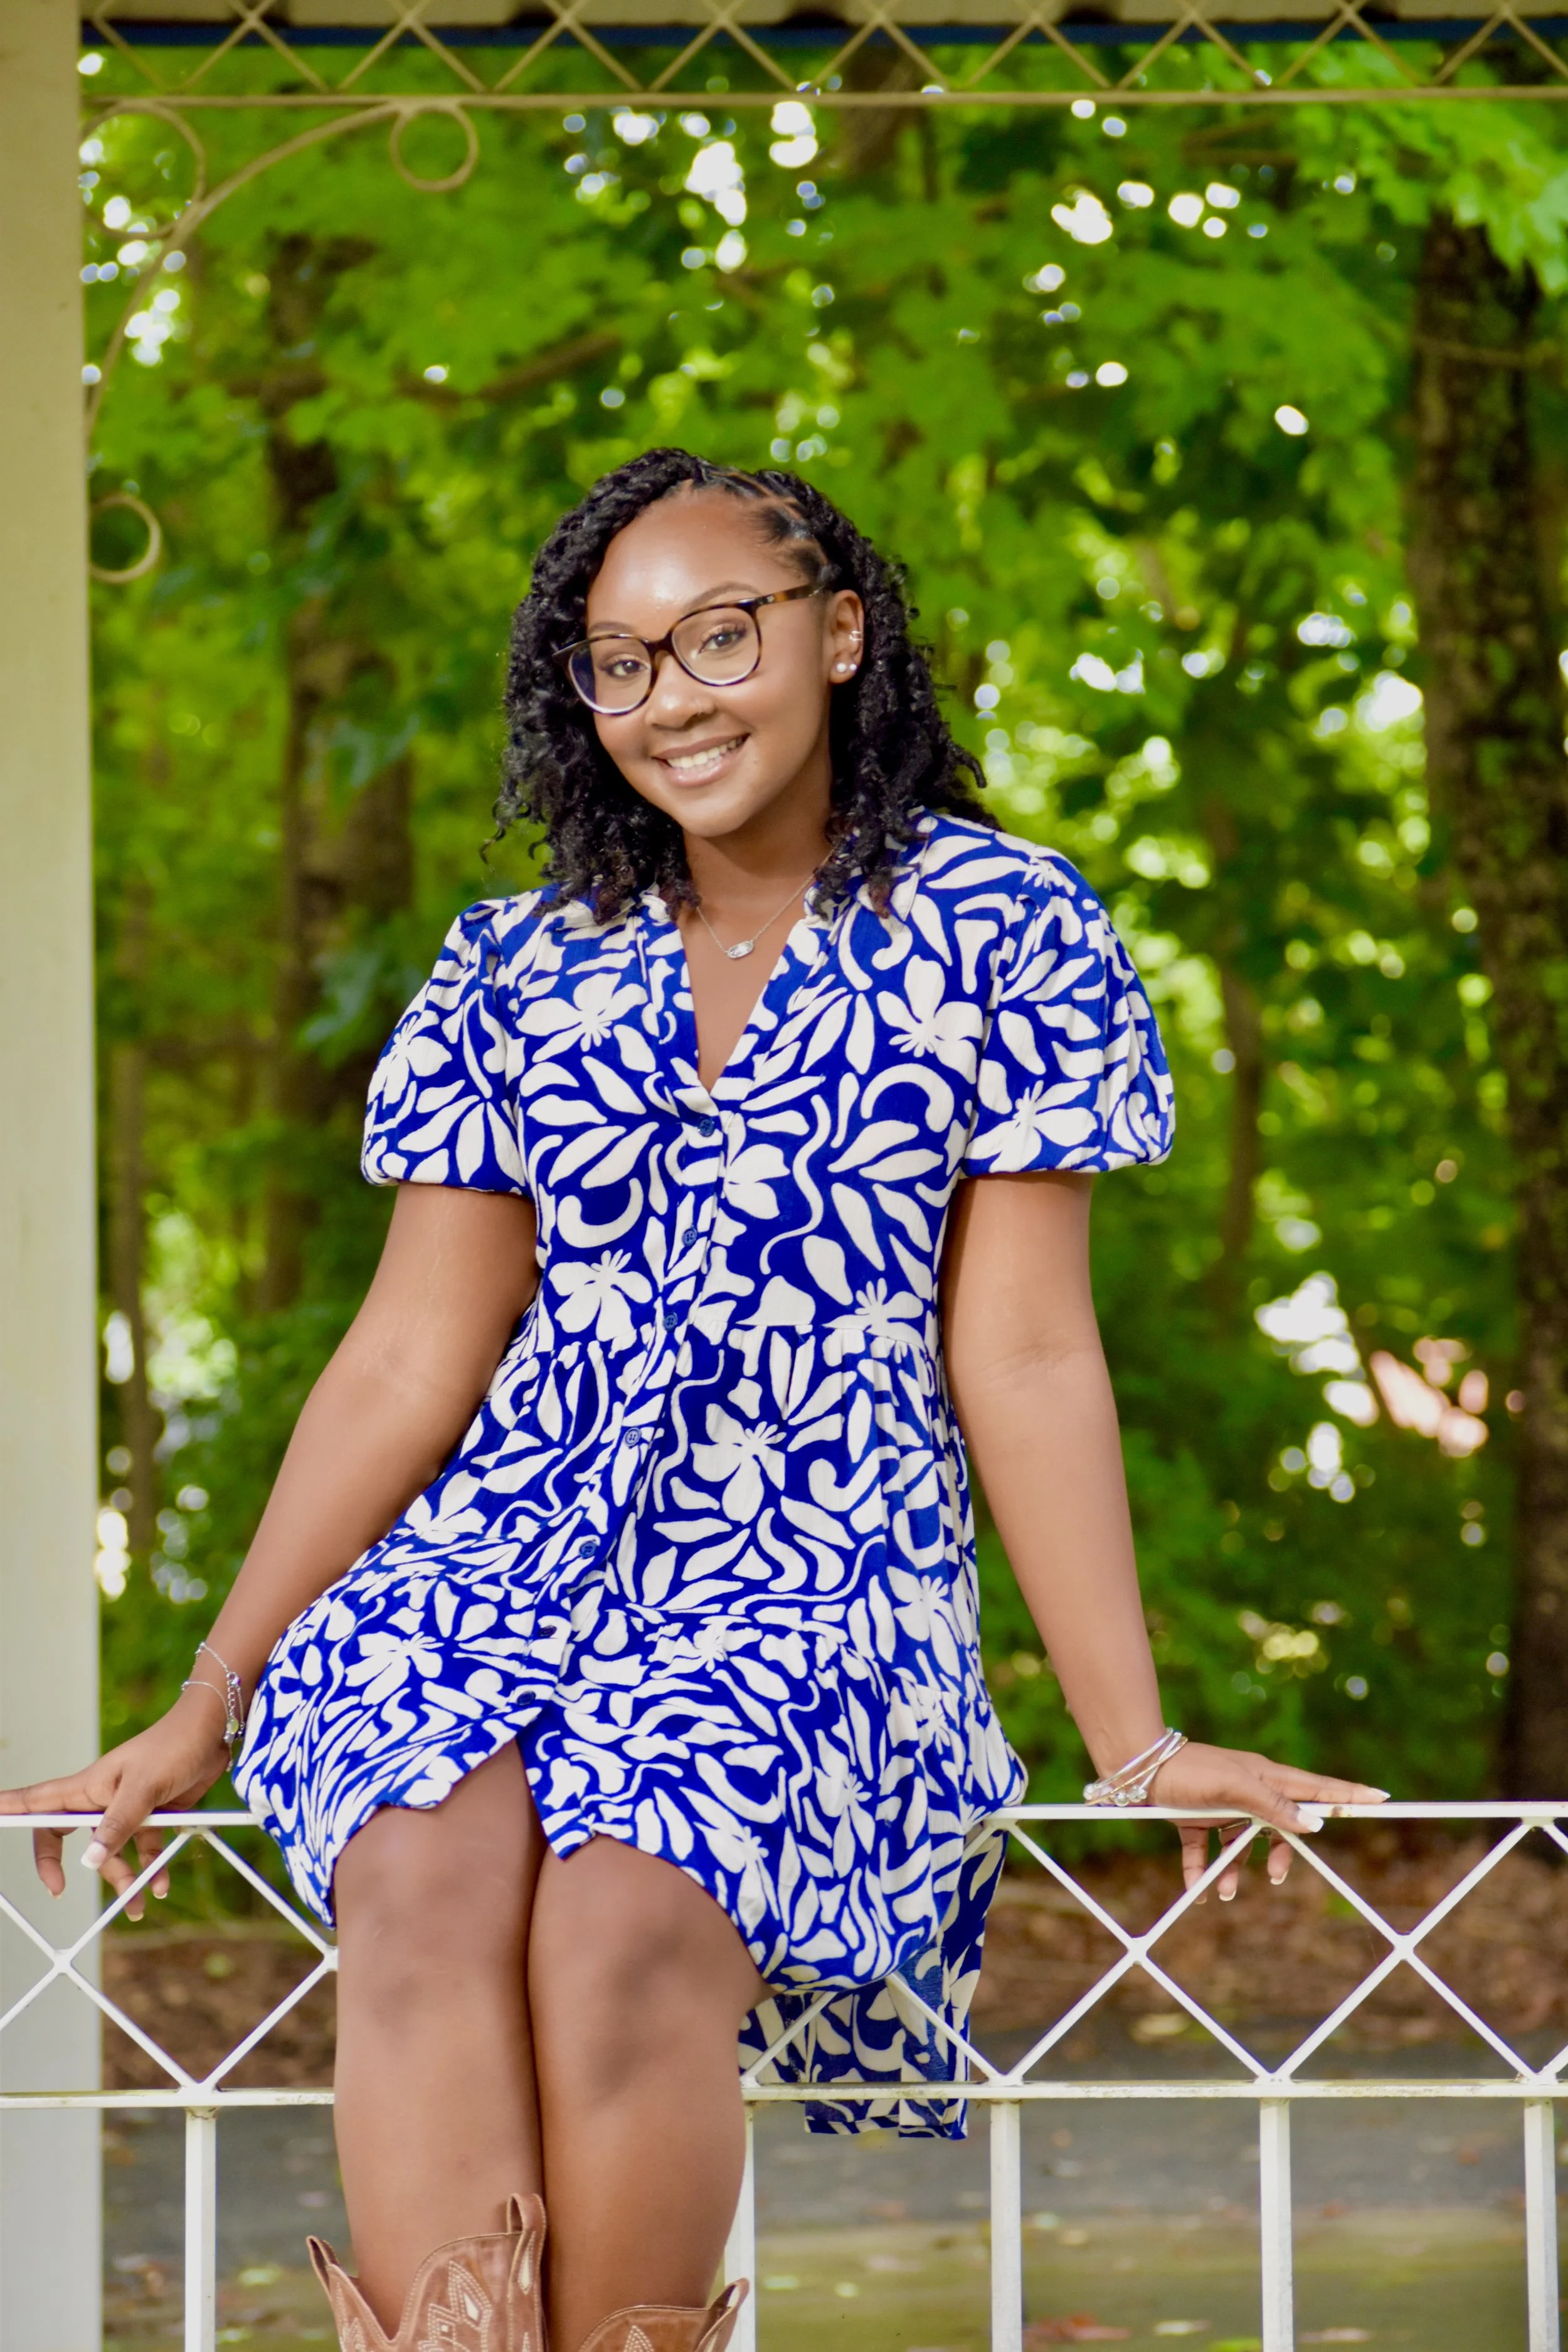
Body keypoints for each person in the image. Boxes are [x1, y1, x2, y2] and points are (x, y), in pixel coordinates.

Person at [1, 450, 1383, 2352]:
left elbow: (1026, 1352)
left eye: (716, 635)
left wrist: (1128, 1739)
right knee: (412, 1866)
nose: (670, 695)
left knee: (625, 1911)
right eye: (618, 660)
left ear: (833, 636)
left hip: (814, 1578)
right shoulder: (515, 963)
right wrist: (207, 1691)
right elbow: (412, 1357)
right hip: (498, 1557)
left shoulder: (1001, 928)